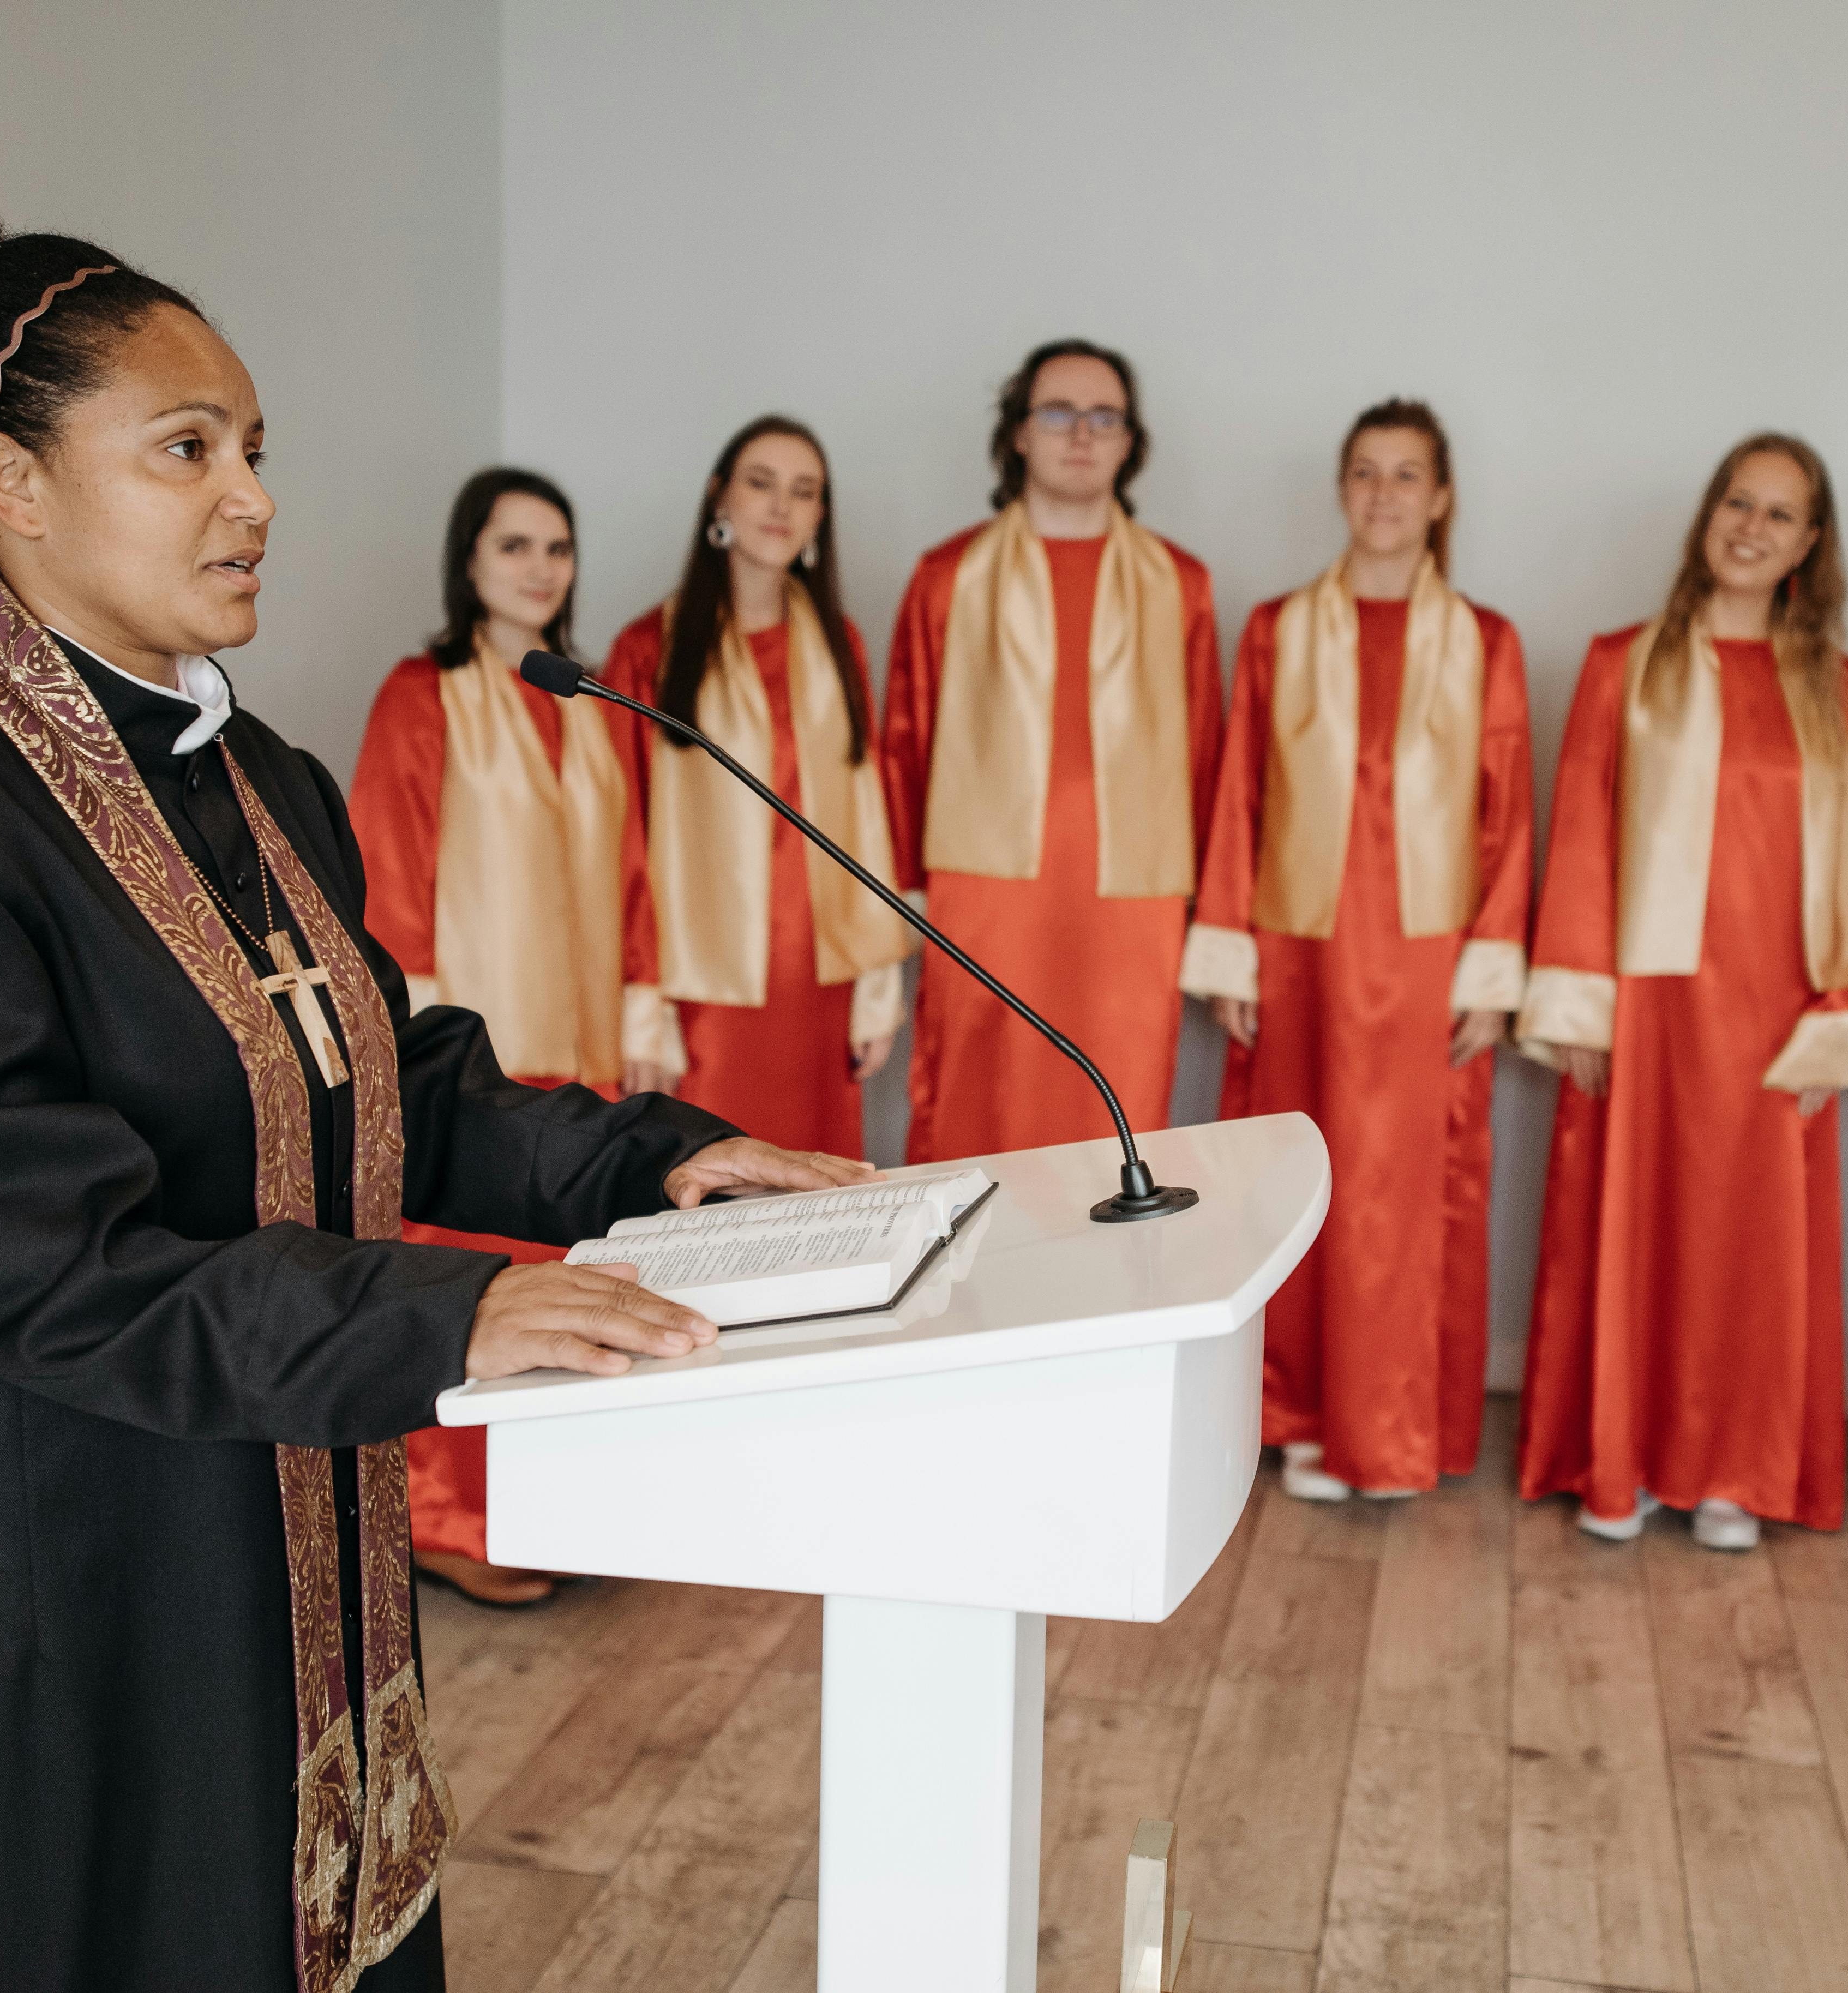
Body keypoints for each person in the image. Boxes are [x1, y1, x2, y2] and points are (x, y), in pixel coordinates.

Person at [0, 161, 864, 1992]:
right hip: (38, 1590)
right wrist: (461, 1314)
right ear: (12, 486)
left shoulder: (260, 778)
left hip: (274, 1545)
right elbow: (36, 1267)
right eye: (186, 450)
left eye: (253, 446)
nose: (255, 499)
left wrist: (664, 1164)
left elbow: (381, 1078)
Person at [1512, 434, 1848, 1552]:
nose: (1752, 528)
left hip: (1779, 1002)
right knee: (1637, 1222)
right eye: (1739, 502)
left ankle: (1733, 1467)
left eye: (1781, 515)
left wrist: (1845, 1018)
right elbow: (1585, 826)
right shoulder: (1621, 665)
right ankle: (1621, 1459)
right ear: (1706, 514)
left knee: (1751, 1241)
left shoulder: (1833, 687)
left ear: (1809, 544)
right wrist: (1580, 1001)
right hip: (1650, 1000)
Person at [1180, 400, 1535, 1499]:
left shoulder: (1486, 640)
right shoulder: (1279, 630)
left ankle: (1393, 1426)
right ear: (1342, 489)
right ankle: (1293, 1415)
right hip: (1300, 951)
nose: (1384, 495)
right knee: (1297, 1179)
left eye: (1407, 475)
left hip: (1426, 957)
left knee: (1406, 1192)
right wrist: (1231, 946)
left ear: (1440, 499)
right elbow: (1241, 789)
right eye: (1366, 473)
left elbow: (1508, 810)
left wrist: (1491, 966)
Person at [353, 468, 679, 1605]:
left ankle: (556, 1511)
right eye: (515, 546)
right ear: (469, 562)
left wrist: (645, 1003)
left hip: (579, 1029)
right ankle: (447, 1520)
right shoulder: (424, 692)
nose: (541, 568)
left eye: (558, 547)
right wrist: (403, 1036)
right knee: (466, 1279)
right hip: (472, 1050)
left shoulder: (582, 699)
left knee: (572, 1285)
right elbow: (388, 863)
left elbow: (632, 871)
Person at [881, 338, 1221, 1162]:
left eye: (1104, 417)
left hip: (1129, 904)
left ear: (1129, 441)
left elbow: (1205, 754)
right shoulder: (946, 576)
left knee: (1117, 1125)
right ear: (1020, 434)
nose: (1081, 434)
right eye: (1059, 412)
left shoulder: (1181, 582)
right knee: (976, 1118)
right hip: (984, 897)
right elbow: (903, 745)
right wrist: (902, 903)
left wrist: (1211, 910)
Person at [604, 417, 911, 1155]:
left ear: (818, 517)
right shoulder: (648, 649)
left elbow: (865, 813)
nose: (781, 505)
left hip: (820, 976)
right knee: (719, 1191)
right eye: (760, 482)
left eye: (803, 491)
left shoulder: (839, 643)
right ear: (720, 497)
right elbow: (625, 836)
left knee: (821, 1195)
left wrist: (875, 982)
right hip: (704, 983)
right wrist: (643, 1003)